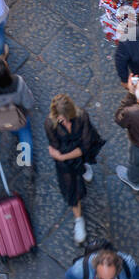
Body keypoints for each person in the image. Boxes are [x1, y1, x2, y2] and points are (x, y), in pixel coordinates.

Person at [45, 92, 103, 243]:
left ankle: (83, 168)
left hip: (72, 154)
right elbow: (56, 146)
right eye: (60, 118)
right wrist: (63, 156)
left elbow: (85, 146)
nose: (63, 121)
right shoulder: (50, 124)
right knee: (70, 188)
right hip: (68, 159)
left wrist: (62, 156)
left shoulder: (82, 116)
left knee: (84, 160)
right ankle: (79, 220)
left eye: (66, 118)